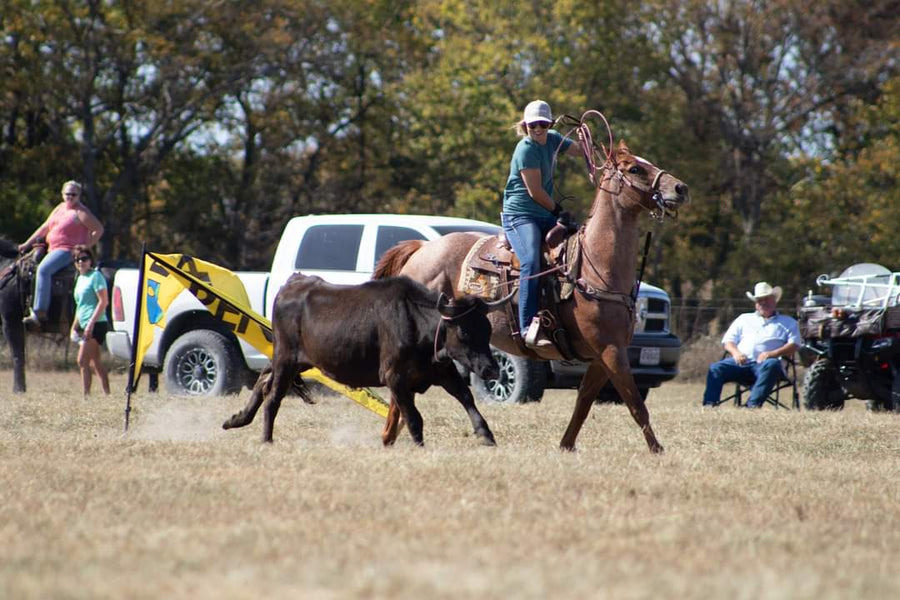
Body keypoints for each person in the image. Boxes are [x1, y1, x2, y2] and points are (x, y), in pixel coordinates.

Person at [502, 99, 582, 349]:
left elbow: (579, 151)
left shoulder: (554, 138)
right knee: (531, 262)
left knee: (578, 248)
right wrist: (559, 211)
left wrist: (588, 141)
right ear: (525, 126)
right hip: (520, 215)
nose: (537, 130)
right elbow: (535, 192)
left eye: (543, 125)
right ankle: (527, 327)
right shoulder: (525, 149)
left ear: (550, 125)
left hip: (544, 214)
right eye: (532, 125)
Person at [702, 282, 802, 408]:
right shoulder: (743, 319)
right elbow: (728, 342)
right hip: (741, 363)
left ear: (774, 301)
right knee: (716, 368)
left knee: (772, 364)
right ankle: (709, 404)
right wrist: (736, 353)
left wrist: (772, 354)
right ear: (755, 303)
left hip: (767, 366)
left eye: (767, 299)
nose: (763, 303)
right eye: (760, 300)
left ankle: (752, 406)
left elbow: (795, 344)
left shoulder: (788, 322)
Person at [20, 180, 104, 326]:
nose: (70, 197)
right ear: (62, 194)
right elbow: (44, 227)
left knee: (44, 270)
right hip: (52, 248)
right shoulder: (60, 208)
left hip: (66, 250)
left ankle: (39, 311)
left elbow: (98, 229)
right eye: (67, 194)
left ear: (79, 196)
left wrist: (84, 247)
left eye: (74, 194)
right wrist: (27, 244)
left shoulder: (81, 212)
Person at [69, 244, 110, 397]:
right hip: (85, 324)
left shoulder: (96, 276)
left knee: (81, 360)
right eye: (77, 259)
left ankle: (86, 396)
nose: (80, 262)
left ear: (90, 260)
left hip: (97, 324)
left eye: (84, 258)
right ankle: (107, 394)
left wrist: (90, 324)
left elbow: (103, 301)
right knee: (95, 362)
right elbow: (80, 306)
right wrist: (74, 326)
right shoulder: (79, 279)